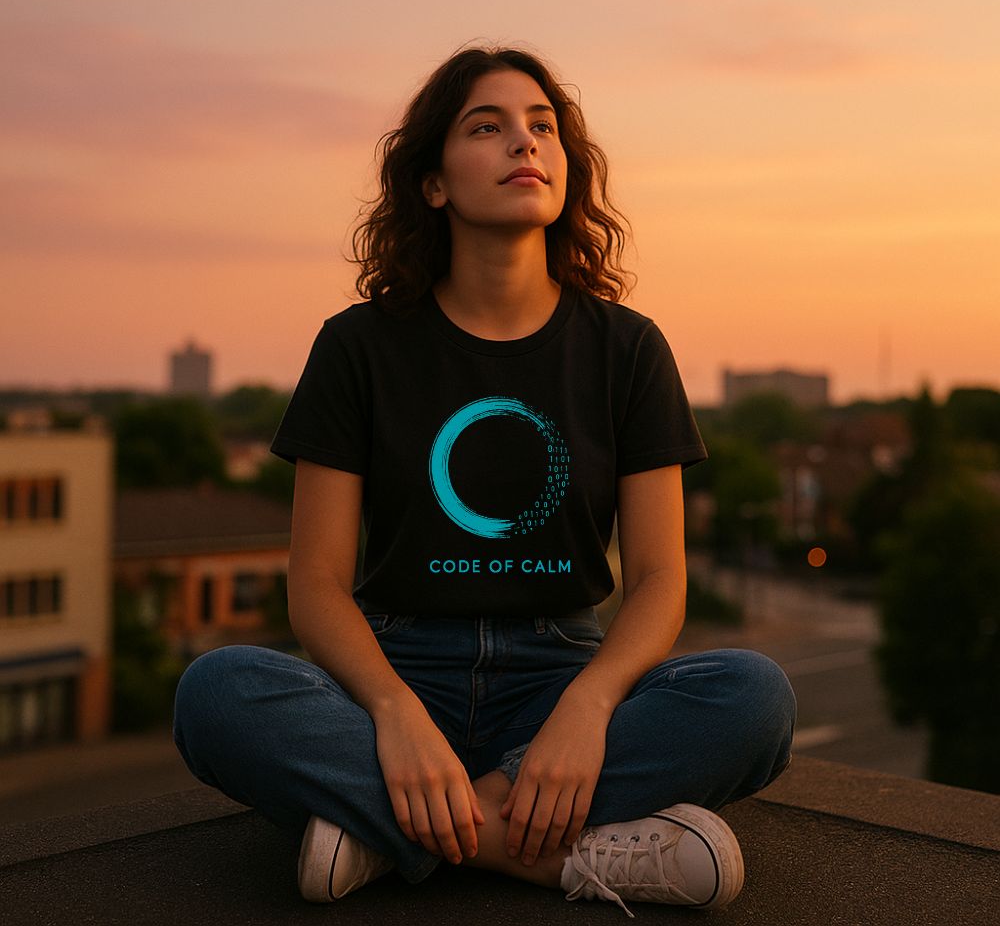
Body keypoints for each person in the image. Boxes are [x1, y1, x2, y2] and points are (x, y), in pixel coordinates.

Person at [172, 45, 796, 917]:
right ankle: (551, 854)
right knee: (217, 693)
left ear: (567, 171)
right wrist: (392, 713)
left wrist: (585, 711)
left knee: (754, 699)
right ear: (433, 183)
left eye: (542, 127)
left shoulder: (628, 350)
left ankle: (390, 837)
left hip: (560, 674)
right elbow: (315, 586)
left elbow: (659, 581)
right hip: (395, 670)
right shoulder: (359, 348)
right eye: (487, 126)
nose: (524, 143)